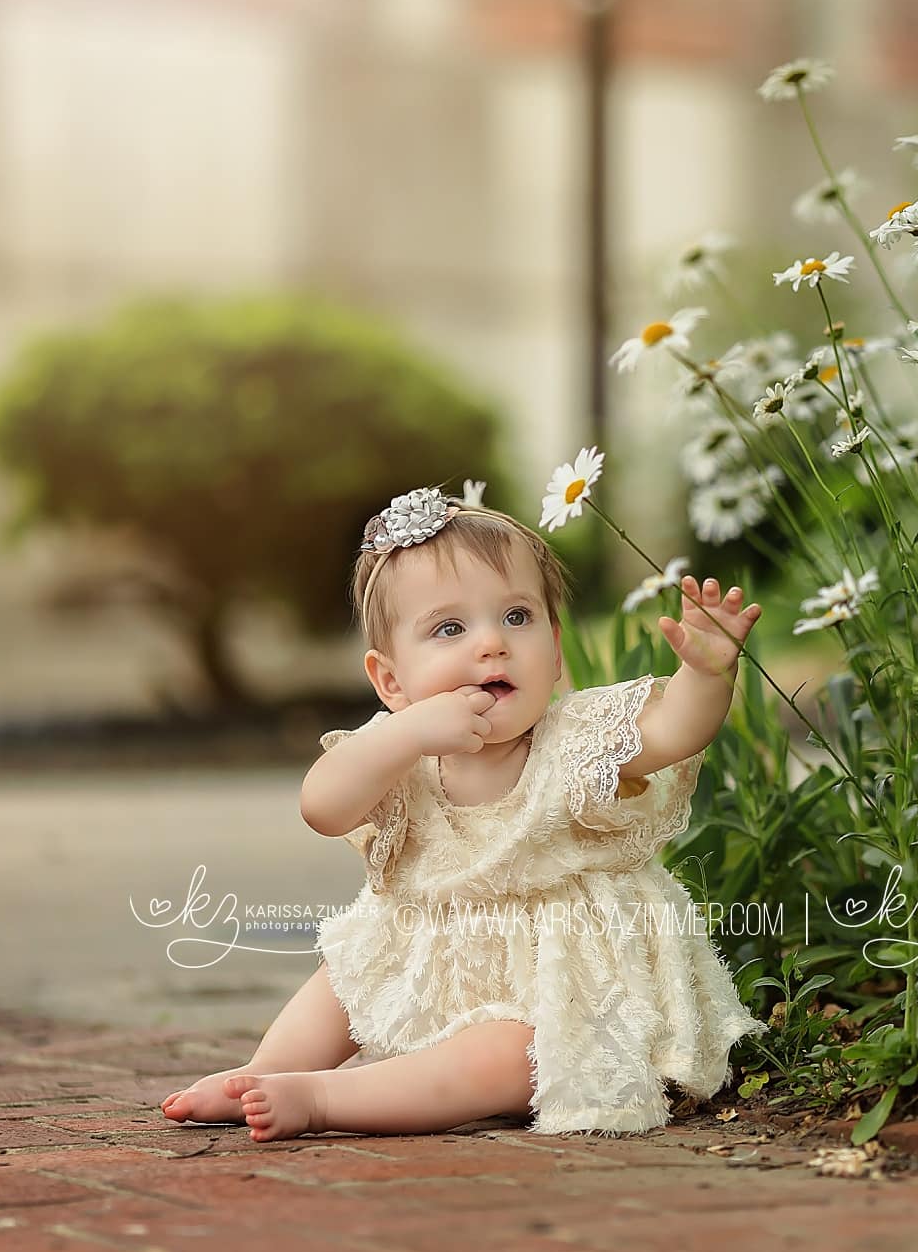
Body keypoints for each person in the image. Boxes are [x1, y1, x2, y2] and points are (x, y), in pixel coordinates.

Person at [159, 485, 767, 1139]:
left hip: (560, 993)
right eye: (450, 628)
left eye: (517, 616)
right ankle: (260, 1073)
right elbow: (323, 806)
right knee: (345, 971)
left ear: (556, 650)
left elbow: (674, 729)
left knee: (513, 1057)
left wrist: (706, 677)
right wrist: (406, 734)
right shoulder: (398, 754)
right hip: (431, 959)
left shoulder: (577, 743)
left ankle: (327, 1098)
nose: (492, 645)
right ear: (391, 682)